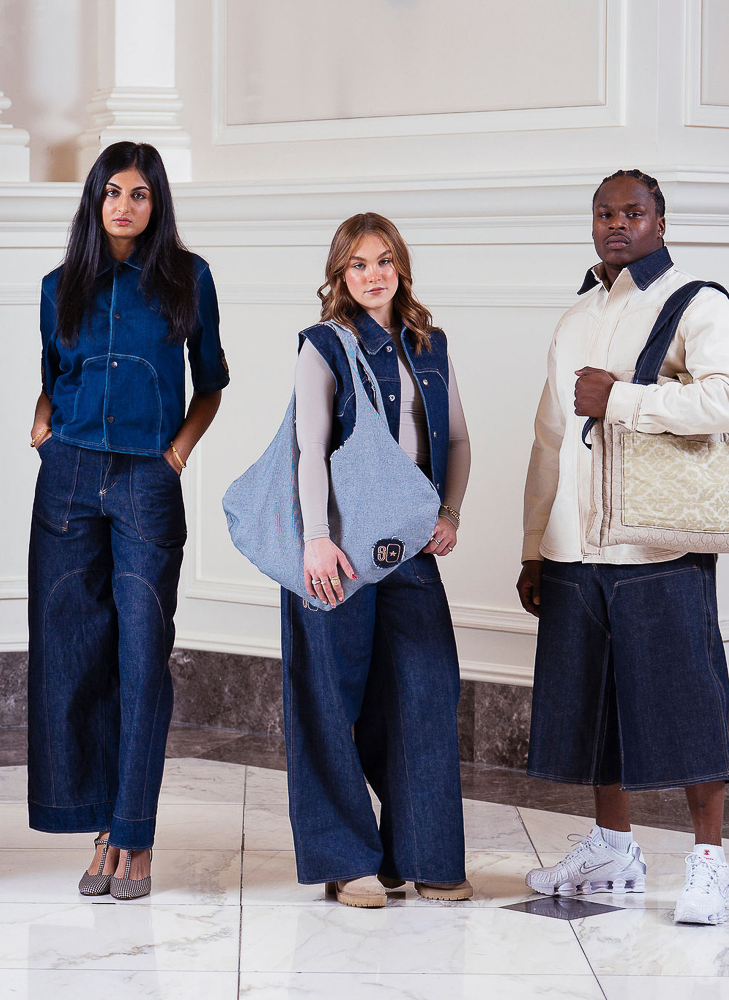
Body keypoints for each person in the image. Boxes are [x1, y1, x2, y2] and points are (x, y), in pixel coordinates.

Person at [517, 170, 729, 925]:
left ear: (660, 220)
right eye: (604, 212)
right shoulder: (574, 316)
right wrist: (533, 546)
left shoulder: (696, 301)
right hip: (574, 552)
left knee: (687, 701)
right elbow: (549, 439)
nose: (616, 224)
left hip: (660, 549)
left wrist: (620, 397)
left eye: (633, 212)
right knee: (593, 708)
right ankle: (613, 849)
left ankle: (709, 864)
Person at [27, 141, 228, 900]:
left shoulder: (188, 278)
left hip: (147, 477)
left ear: (156, 203)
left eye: (140, 194)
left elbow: (209, 383)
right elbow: (53, 377)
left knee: (142, 654)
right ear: (94, 198)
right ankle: (99, 821)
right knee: (74, 652)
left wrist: (175, 454)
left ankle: (133, 834)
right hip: (69, 478)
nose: (124, 205)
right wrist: (43, 425)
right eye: (113, 192)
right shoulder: (59, 286)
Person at [280, 213, 472, 908]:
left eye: (384, 261)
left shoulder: (429, 342)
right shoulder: (324, 345)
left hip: (407, 548)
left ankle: (425, 855)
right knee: (332, 703)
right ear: (340, 274)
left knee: (424, 692)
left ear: (401, 267)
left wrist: (448, 514)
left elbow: (454, 441)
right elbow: (309, 448)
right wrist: (314, 538)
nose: (373, 274)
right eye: (358, 264)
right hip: (334, 551)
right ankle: (346, 860)